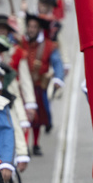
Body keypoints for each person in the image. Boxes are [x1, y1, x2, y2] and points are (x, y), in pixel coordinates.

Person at [10, 15, 65, 155]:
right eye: (29, 26)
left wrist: (58, 79)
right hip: (21, 87)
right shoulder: (20, 42)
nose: (31, 29)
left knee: (38, 117)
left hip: (39, 86)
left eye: (34, 27)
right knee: (23, 116)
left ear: (39, 29)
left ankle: (35, 143)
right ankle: (24, 144)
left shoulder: (49, 45)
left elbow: (57, 63)